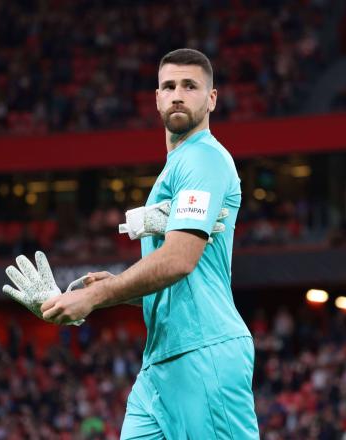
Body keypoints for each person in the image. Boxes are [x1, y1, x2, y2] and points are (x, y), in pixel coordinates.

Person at [40, 48, 259, 439]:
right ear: (156, 98)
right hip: (161, 362)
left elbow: (179, 261)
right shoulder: (176, 167)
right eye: (169, 86)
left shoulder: (203, 160)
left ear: (211, 99)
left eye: (190, 86)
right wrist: (117, 290)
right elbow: (183, 280)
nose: (178, 94)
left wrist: (98, 296)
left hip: (203, 351)